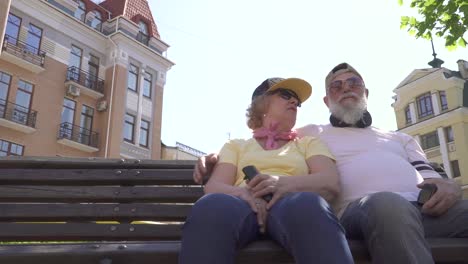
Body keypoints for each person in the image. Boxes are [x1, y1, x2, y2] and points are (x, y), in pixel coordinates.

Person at [194, 63, 468, 264]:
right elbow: (262, 142)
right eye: (336, 86)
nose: (346, 88)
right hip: (369, 210)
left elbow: (428, 173)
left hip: (425, 208)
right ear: (326, 101)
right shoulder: (313, 133)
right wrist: (215, 159)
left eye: (354, 83)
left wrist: (449, 187)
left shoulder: (401, 138)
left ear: (366, 92)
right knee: (387, 205)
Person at [179, 77, 354, 264]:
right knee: (212, 206)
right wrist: (245, 195)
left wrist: (280, 185)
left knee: (309, 205)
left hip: (292, 204)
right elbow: (214, 186)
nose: (294, 101)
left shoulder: (308, 143)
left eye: (297, 101)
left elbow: (329, 181)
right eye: (286, 95)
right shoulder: (236, 146)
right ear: (261, 103)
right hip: (242, 205)